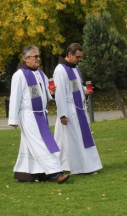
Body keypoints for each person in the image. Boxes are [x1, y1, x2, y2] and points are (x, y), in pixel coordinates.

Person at [8, 45, 69, 183]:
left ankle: (27, 174)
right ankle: (55, 173)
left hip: (41, 115)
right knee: (42, 144)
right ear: (26, 59)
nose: (38, 59)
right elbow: (15, 97)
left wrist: (51, 93)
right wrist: (13, 118)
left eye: (39, 56)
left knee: (32, 144)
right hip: (29, 116)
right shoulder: (19, 75)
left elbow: (46, 94)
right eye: (35, 56)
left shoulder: (41, 74)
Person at [53, 43, 102, 175]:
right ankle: (84, 167)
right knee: (75, 139)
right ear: (69, 54)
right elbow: (60, 93)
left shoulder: (74, 68)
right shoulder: (60, 70)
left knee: (67, 140)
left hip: (78, 108)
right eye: (77, 57)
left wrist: (85, 91)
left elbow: (76, 86)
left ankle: (61, 165)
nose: (79, 59)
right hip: (69, 110)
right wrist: (62, 114)